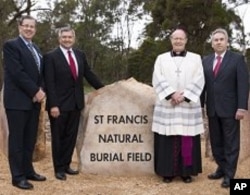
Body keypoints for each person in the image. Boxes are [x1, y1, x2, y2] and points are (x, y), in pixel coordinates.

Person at [43, 26, 104, 181]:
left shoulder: (79, 55)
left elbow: (88, 74)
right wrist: (53, 105)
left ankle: (66, 165)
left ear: (73, 38)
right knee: (58, 138)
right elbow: (49, 82)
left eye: (70, 37)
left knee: (71, 137)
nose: (67, 39)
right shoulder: (50, 57)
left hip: (76, 103)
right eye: (64, 37)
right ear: (59, 38)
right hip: (59, 105)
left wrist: (105, 89)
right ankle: (58, 169)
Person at [152, 28, 205, 184]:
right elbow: (157, 77)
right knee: (167, 139)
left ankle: (186, 172)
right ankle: (167, 172)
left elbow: (199, 79)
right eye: (175, 38)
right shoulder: (161, 58)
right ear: (171, 40)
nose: (178, 41)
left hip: (187, 106)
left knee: (186, 138)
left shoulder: (196, 58)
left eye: (181, 38)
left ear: (186, 40)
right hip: (168, 105)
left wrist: (185, 96)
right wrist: (171, 94)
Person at [2, 15, 46, 190]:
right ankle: (17, 177)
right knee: (17, 140)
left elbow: (40, 73)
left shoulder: (36, 48)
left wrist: (41, 90)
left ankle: (28, 171)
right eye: (26, 26)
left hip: (34, 102)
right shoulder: (11, 46)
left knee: (29, 140)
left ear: (35, 29)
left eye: (32, 26)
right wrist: (35, 91)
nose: (29, 29)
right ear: (19, 27)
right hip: (17, 102)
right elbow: (17, 73)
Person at [201, 28, 249, 188]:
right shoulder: (205, 61)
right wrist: (200, 105)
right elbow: (202, 86)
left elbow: (243, 84)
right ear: (212, 43)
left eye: (222, 39)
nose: (219, 42)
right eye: (216, 40)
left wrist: (242, 107)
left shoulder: (237, 59)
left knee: (231, 143)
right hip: (213, 109)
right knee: (216, 142)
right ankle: (221, 168)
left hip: (231, 109)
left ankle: (230, 174)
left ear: (227, 42)